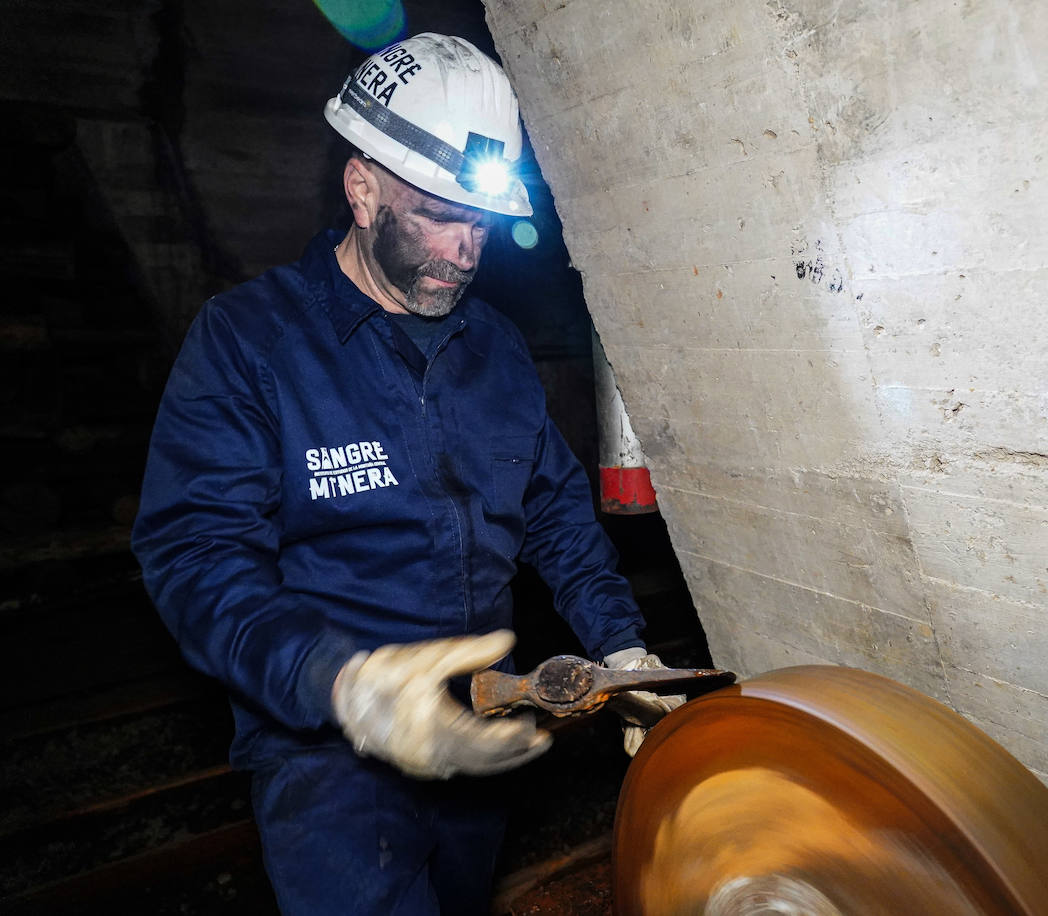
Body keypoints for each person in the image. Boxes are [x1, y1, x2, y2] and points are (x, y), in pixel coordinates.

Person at [131, 33, 678, 914]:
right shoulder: (250, 342)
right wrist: (342, 684)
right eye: (438, 217)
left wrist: (623, 649)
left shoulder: (495, 347)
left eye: (482, 225)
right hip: (327, 754)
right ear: (362, 190)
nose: (465, 253)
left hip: (478, 725)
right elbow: (194, 556)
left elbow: (556, 517)